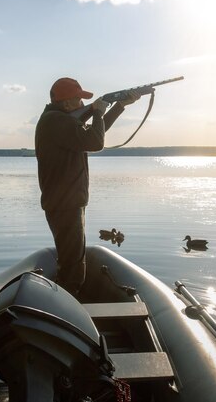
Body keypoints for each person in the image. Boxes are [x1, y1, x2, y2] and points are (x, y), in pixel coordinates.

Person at [35, 77, 139, 295]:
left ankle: (65, 305)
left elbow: (93, 135)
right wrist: (98, 112)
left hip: (67, 202)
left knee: (72, 262)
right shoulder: (56, 121)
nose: (83, 105)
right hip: (65, 204)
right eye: (78, 100)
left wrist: (119, 106)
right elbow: (95, 142)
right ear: (66, 104)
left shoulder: (60, 120)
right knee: (72, 268)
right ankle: (64, 311)